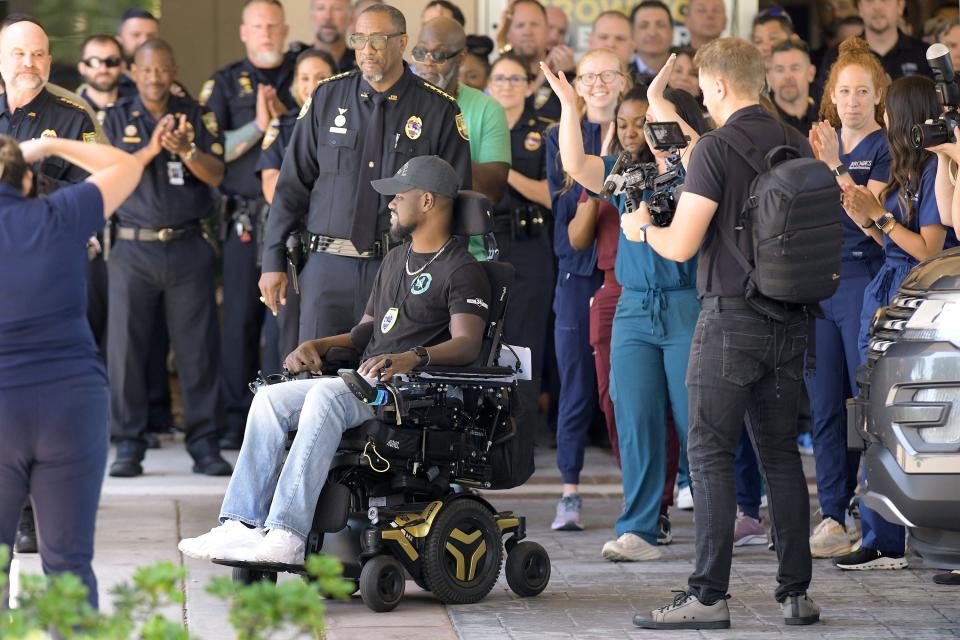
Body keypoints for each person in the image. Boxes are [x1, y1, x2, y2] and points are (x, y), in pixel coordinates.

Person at [178, 156, 490, 565]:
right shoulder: (396, 260)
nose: (391, 204)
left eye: (399, 195)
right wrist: (320, 345)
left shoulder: (463, 269)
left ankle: (288, 533)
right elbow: (365, 331)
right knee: (271, 398)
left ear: (429, 201)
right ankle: (241, 523)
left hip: (412, 393)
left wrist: (413, 358)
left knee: (326, 397)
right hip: (366, 381)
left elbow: (467, 343)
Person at [606, 37, 819, 629]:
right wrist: (658, 100)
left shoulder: (717, 149)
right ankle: (795, 592)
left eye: (702, 86)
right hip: (791, 319)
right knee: (779, 456)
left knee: (709, 454)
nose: (700, 94)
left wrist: (641, 228)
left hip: (729, 319)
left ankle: (707, 594)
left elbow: (681, 243)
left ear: (719, 87)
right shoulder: (793, 140)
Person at [259, 4, 472, 350]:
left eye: (377, 40)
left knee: (391, 387)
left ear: (402, 42)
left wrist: (443, 280)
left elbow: (456, 202)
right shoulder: (327, 97)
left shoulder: (439, 109)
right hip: (327, 270)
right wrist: (271, 261)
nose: (366, 50)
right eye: (359, 39)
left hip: (400, 271)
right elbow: (291, 185)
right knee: (313, 382)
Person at [0, 135, 142, 608]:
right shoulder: (58, 215)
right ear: (25, 180)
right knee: (68, 565)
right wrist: (47, 147)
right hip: (71, 404)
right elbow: (124, 166)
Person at [102, 38, 231, 479]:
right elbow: (107, 176)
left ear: (173, 69)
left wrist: (186, 151)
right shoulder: (114, 117)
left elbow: (218, 174)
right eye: (147, 70)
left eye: (162, 69)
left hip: (187, 246)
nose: (155, 77)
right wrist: (153, 149)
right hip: (132, 249)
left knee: (198, 352)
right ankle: (128, 445)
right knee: (126, 354)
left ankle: (205, 444)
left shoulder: (197, 114)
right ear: (133, 73)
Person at [834, 75, 947, 571]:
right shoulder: (905, 172)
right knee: (872, 416)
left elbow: (930, 249)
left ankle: (899, 536)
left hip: (920, 301)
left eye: (888, 111)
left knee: (901, 415)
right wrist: (870, 217)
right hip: (889, 293)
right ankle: (879, 533)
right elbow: (892, 243)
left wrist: (878, 218)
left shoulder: (934, 170)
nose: (880, 118)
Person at [0, 13, 102, 557]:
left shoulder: (69, 117)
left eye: (39, 54)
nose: (30, 64)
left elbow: (94, 188)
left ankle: (32, 514)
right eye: (19, 54)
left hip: (43, 274)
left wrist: (29, 180)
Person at [804, 36, 890, 559]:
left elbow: (866, 212)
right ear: (831, 96)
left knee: (867, 404)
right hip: (822, 281)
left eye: (862, 91)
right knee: (824, 405)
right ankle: (832, 512)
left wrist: (835, 165)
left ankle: (876, 512)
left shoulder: (882, 146)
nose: (853, 101)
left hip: (864, 276)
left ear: (878, 95)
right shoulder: (822, 141)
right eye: (844, 91)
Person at [200, 0, 300, 449]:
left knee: (286, 325)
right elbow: (209, 150)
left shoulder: (306, 70)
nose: (266, 32)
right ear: (244, 31)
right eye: (257, 25)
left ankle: (285, 415)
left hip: (296, 223)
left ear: (285, 29)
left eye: (273, 25)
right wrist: (259, 127)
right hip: (245, 221)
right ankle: (236, 421)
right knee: (239, 320)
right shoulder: (223, 83)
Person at [545, 47, 629, 531]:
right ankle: (569, 490)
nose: (598, 83)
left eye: (607, 75)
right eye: (588, 76)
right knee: (575, 386)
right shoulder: (561, 133)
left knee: (627, 390)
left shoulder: (640, 130)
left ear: (623, 81)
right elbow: (570, 208)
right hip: (577, 273)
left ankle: (644, 488)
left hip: (625, 275)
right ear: (575, 84)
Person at [486, 52, 554, 450]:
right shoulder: (476, 126)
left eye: (516, 80)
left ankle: (522, 440)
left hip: (529, 244)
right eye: (500, 78)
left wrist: (501, 168)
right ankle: (487, 439)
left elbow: (550, 193)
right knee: (486, 343)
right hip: (486, 243)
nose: (507, 86)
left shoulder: (544, 131)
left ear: (530, 87)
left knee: (526, 345)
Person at [257, 48, 337, 372]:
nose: (312, 84)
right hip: (295, 248)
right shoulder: (283, 126)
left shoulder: (351, 127)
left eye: (321, 77)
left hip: (338, 247)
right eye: (304, 78)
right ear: (294, 85)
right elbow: (272, 188)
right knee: (290, 337)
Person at [413, 17, 510, 207]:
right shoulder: (398, 101)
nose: (428, 62)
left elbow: (493, 192)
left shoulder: (488, 108)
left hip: (462, 231)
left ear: (461, 58)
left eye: (439, 54)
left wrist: (443, 148)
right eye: (421, 52)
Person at [817, 0, 930, 88]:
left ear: (900, 6)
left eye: (884, 0)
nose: (877, 7)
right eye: (869, 0)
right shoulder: (838, 55)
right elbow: (824, 107)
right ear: (860, 8)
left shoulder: (924, 55)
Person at [498, 0, 569, 121]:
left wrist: (568, 74)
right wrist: (542, 79)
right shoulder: (497, 74)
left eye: (535, 24)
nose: (527, 32)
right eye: (520, 25)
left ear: (548, 30)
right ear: (508, 33)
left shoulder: (565, 71)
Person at [769, 39, 818, 136]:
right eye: (780, 70)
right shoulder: (761, 124)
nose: (787, 76)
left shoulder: (827, 121)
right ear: (769, 77)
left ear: (811, 73)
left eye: (795, 68)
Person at [76, 35, 124, 124]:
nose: (103, 69)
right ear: (81, 67)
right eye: (94, 62)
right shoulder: (66, 109)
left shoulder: (139, 109)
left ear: (123, 66)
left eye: (111, 61)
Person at [630, 1, 674, 84]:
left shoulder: (685, 76)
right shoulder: (624, 76)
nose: (652, 33)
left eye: (660, 25)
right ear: (632, 33)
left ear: (672, 32)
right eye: (644, 26)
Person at [309, 0, 356, 72]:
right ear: (311, 16)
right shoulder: (293, 66)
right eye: (320, 8)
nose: (327, 16)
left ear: (351, 18)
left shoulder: (362, 67)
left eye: (336, 9)